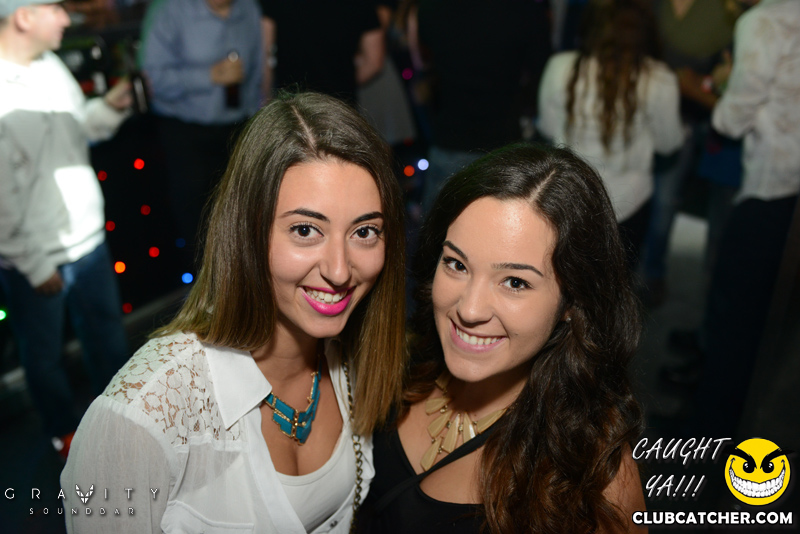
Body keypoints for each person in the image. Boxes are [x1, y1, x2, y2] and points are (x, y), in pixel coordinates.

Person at [61, 92, 407, 533]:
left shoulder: (359, 356)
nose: (340, 271)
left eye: (365, 231)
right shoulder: (139, 420)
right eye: (305, 230)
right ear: (247, 232)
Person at [359, 143, 646, 533]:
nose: (470, 309)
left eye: (515, 282)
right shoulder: (393, 368)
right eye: (456, 264)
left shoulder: (593, 475)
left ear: (572, 302)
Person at [0, 0, 131, 457]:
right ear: (23, 17)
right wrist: (34, 264)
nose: (65, 17)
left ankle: (123, 424)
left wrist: (109, 107)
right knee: (43, 356)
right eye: (54, 8)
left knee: (107, 340)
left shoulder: (50, 65)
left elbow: (81, 129)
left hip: (88, 239)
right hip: (37, 256)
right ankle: (64, 437)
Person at [538, 0, 683, 272]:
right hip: (630, 203)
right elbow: (669, 144)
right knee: (615, 286)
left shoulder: (559, 67)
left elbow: (547, 128)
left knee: (564, 281)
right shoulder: (660, 79)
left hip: (570, 200)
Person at [141, 0, 263, 271]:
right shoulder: (169, 9)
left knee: (243, 219)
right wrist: (209, 75)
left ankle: (240, 286)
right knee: (197, 226)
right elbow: (151, 79)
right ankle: (203, 289)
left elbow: (256, 73)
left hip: (238, 130)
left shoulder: (249, 8)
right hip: (186, 135)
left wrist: (259, 121)